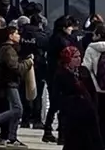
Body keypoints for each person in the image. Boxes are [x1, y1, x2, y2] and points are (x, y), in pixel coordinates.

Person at [45, 15, 79, 143]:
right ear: (64, 27)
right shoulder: (63, 40)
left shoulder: (54, 38)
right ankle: (61, 133)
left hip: (53, 74)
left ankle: (50, 130)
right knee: (62, 105)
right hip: (61, 75)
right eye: (69, 26)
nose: (71, 29)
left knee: (55, 105)